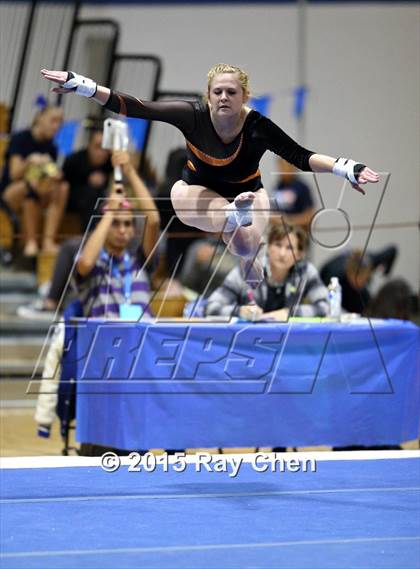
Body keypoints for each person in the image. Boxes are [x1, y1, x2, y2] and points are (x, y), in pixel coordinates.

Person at [41, 64, 379, 286]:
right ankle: (233, 217)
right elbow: (133, 106)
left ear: (245, 96)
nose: (224, 98)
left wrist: (345, 168)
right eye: (217, 92)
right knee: (178, 193)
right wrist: (83, 86)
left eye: (232, 92)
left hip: (249, 195)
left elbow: (300, 156)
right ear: (208, 96)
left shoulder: (258, 126)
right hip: (199, 196)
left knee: (246, 249)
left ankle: (243, 245)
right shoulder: (192, 116)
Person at [17, 149, 159, 319]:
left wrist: (129, 171)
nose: (122, 230)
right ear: (103, 226)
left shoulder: (139, 260)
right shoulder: (94, 264)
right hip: (106, 341)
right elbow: (85, 262)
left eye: (127, 224)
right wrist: (110, 212)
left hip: (142, 339)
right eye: (115, 223)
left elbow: (153, 220)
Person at [206, 222, 329, 320]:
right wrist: (240, 311)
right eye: (278, 245)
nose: (282, 253)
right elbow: (211, 307)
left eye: (289, 248)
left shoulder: (305, 271)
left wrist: (289, 313)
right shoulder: (248, 269)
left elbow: (326, 307)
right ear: (268, 247)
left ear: (300, 254)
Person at [0, 105, 68, 255]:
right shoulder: (20, 138)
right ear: (39, 118)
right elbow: (13, 175)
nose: (57, 126)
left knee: (62, 188)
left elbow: (47, 180)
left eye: (60, 123)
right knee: (29, 189)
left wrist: (54, 176)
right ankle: (30, 242)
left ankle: (47, 241)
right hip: (11, 192)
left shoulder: (51, 147)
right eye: (53, 121)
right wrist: (30, 161)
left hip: (35, 191)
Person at [320, 246, 398, 314]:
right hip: (340, 287)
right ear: (348, 273)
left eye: (363, 280)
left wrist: (386, 273)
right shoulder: (334, 276)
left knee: (368, 307)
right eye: (356, 281)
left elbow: (392, 250)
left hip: (356, 290)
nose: (360, 284)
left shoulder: (371, 261)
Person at [63, 127, 112, 232]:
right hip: (72, 201)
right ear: (89, 145)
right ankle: (90, 234)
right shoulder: (74, 160)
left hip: (99, 199)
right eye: (98, 147)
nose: (102, 153)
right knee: (92, 194)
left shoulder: (109, 163)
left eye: (105, 148)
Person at [270, 157, 316, 231]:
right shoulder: (277, 187)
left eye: (287, 165)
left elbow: (310, 216)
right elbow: (273, 213)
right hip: (280, 233)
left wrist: (288, 220)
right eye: (281, 165)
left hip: (298, 234)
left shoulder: (302, 187)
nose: (283, 168)